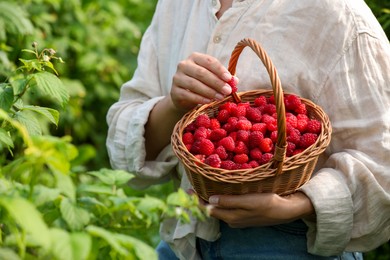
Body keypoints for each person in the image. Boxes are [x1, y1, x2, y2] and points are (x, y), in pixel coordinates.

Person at [106, 0, 390, 259]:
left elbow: (383, 162)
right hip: (185, 239)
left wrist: (296, 205)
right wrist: (173, 104)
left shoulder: (338, 13)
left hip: (290, 244)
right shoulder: (177, 5)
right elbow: (125, 150)